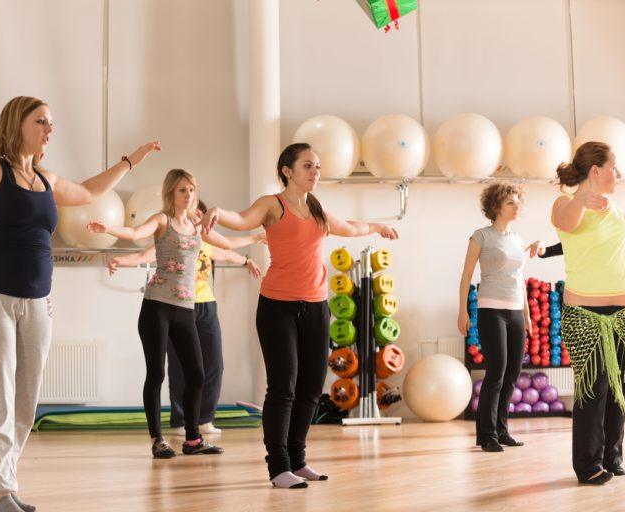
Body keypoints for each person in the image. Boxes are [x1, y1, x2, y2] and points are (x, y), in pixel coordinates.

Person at [0, 96, 161, 512]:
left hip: (38, 302)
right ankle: (0, 492)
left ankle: (7, 481)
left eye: (51, 122)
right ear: (17, 124)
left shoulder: (47, 180)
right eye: (41, 120)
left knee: (25, 402)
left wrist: (130, 161)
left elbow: (90, 190)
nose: (49, 128)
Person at [199, 142, 398, 489]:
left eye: (317, 166)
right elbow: (243, 219)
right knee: (283, 387)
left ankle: (297, 459)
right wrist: (218, 211)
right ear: (287, 171)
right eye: (307, 165)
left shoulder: (317, 209)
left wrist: (377, 226)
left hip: (316, 306)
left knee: (311, 388)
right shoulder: (272, 205)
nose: (315, 171)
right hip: (278, 307)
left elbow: (349, 227)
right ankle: (278, 467)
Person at [88, 170, 251, 459]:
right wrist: (108, 229)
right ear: (170, 193)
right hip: (157, 307)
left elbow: (226, 245)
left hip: (185, 309)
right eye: (181, 190)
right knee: (157, 373)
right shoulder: (162, 220)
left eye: (191, 189)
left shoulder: (198, 226)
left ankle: (193, 440)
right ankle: (157, 439)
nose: (188, 195)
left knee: (197, 374)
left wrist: (258, 237)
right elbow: (136, 234)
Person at [551, 141, 625, 485]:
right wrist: (580, 200)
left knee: (621, 387)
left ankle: (611, 457)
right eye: (615, 168)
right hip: (585, 313)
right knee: (593, 388)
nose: (619, 174)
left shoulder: (613, 209)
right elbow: (567, 223)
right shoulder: (564, 204)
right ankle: (588, 465)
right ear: (596, 170)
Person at [167, 199, 264, 437]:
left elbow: (227, 251)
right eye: (194, 214)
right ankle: (180, 420)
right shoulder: (173, 237)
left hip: (206, 306)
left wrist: (247, 260)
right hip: (178, 306)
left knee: (214, 365)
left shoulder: (206, 242)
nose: (198, 218)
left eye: (201, 214)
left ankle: (204, 419)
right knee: (180, 365)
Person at [457, 183, 538, 453]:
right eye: (510, 203)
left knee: (513, 373)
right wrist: (463, 311)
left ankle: (502, 431)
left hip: (515, 311)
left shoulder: (517, 239)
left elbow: (520, 279)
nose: (517, 207)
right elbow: (466, 277)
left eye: (518, 202)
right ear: (496, 207)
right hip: (491, 310)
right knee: (496, 373)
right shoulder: (481, 236)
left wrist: (526, 314)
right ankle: (486, 435)